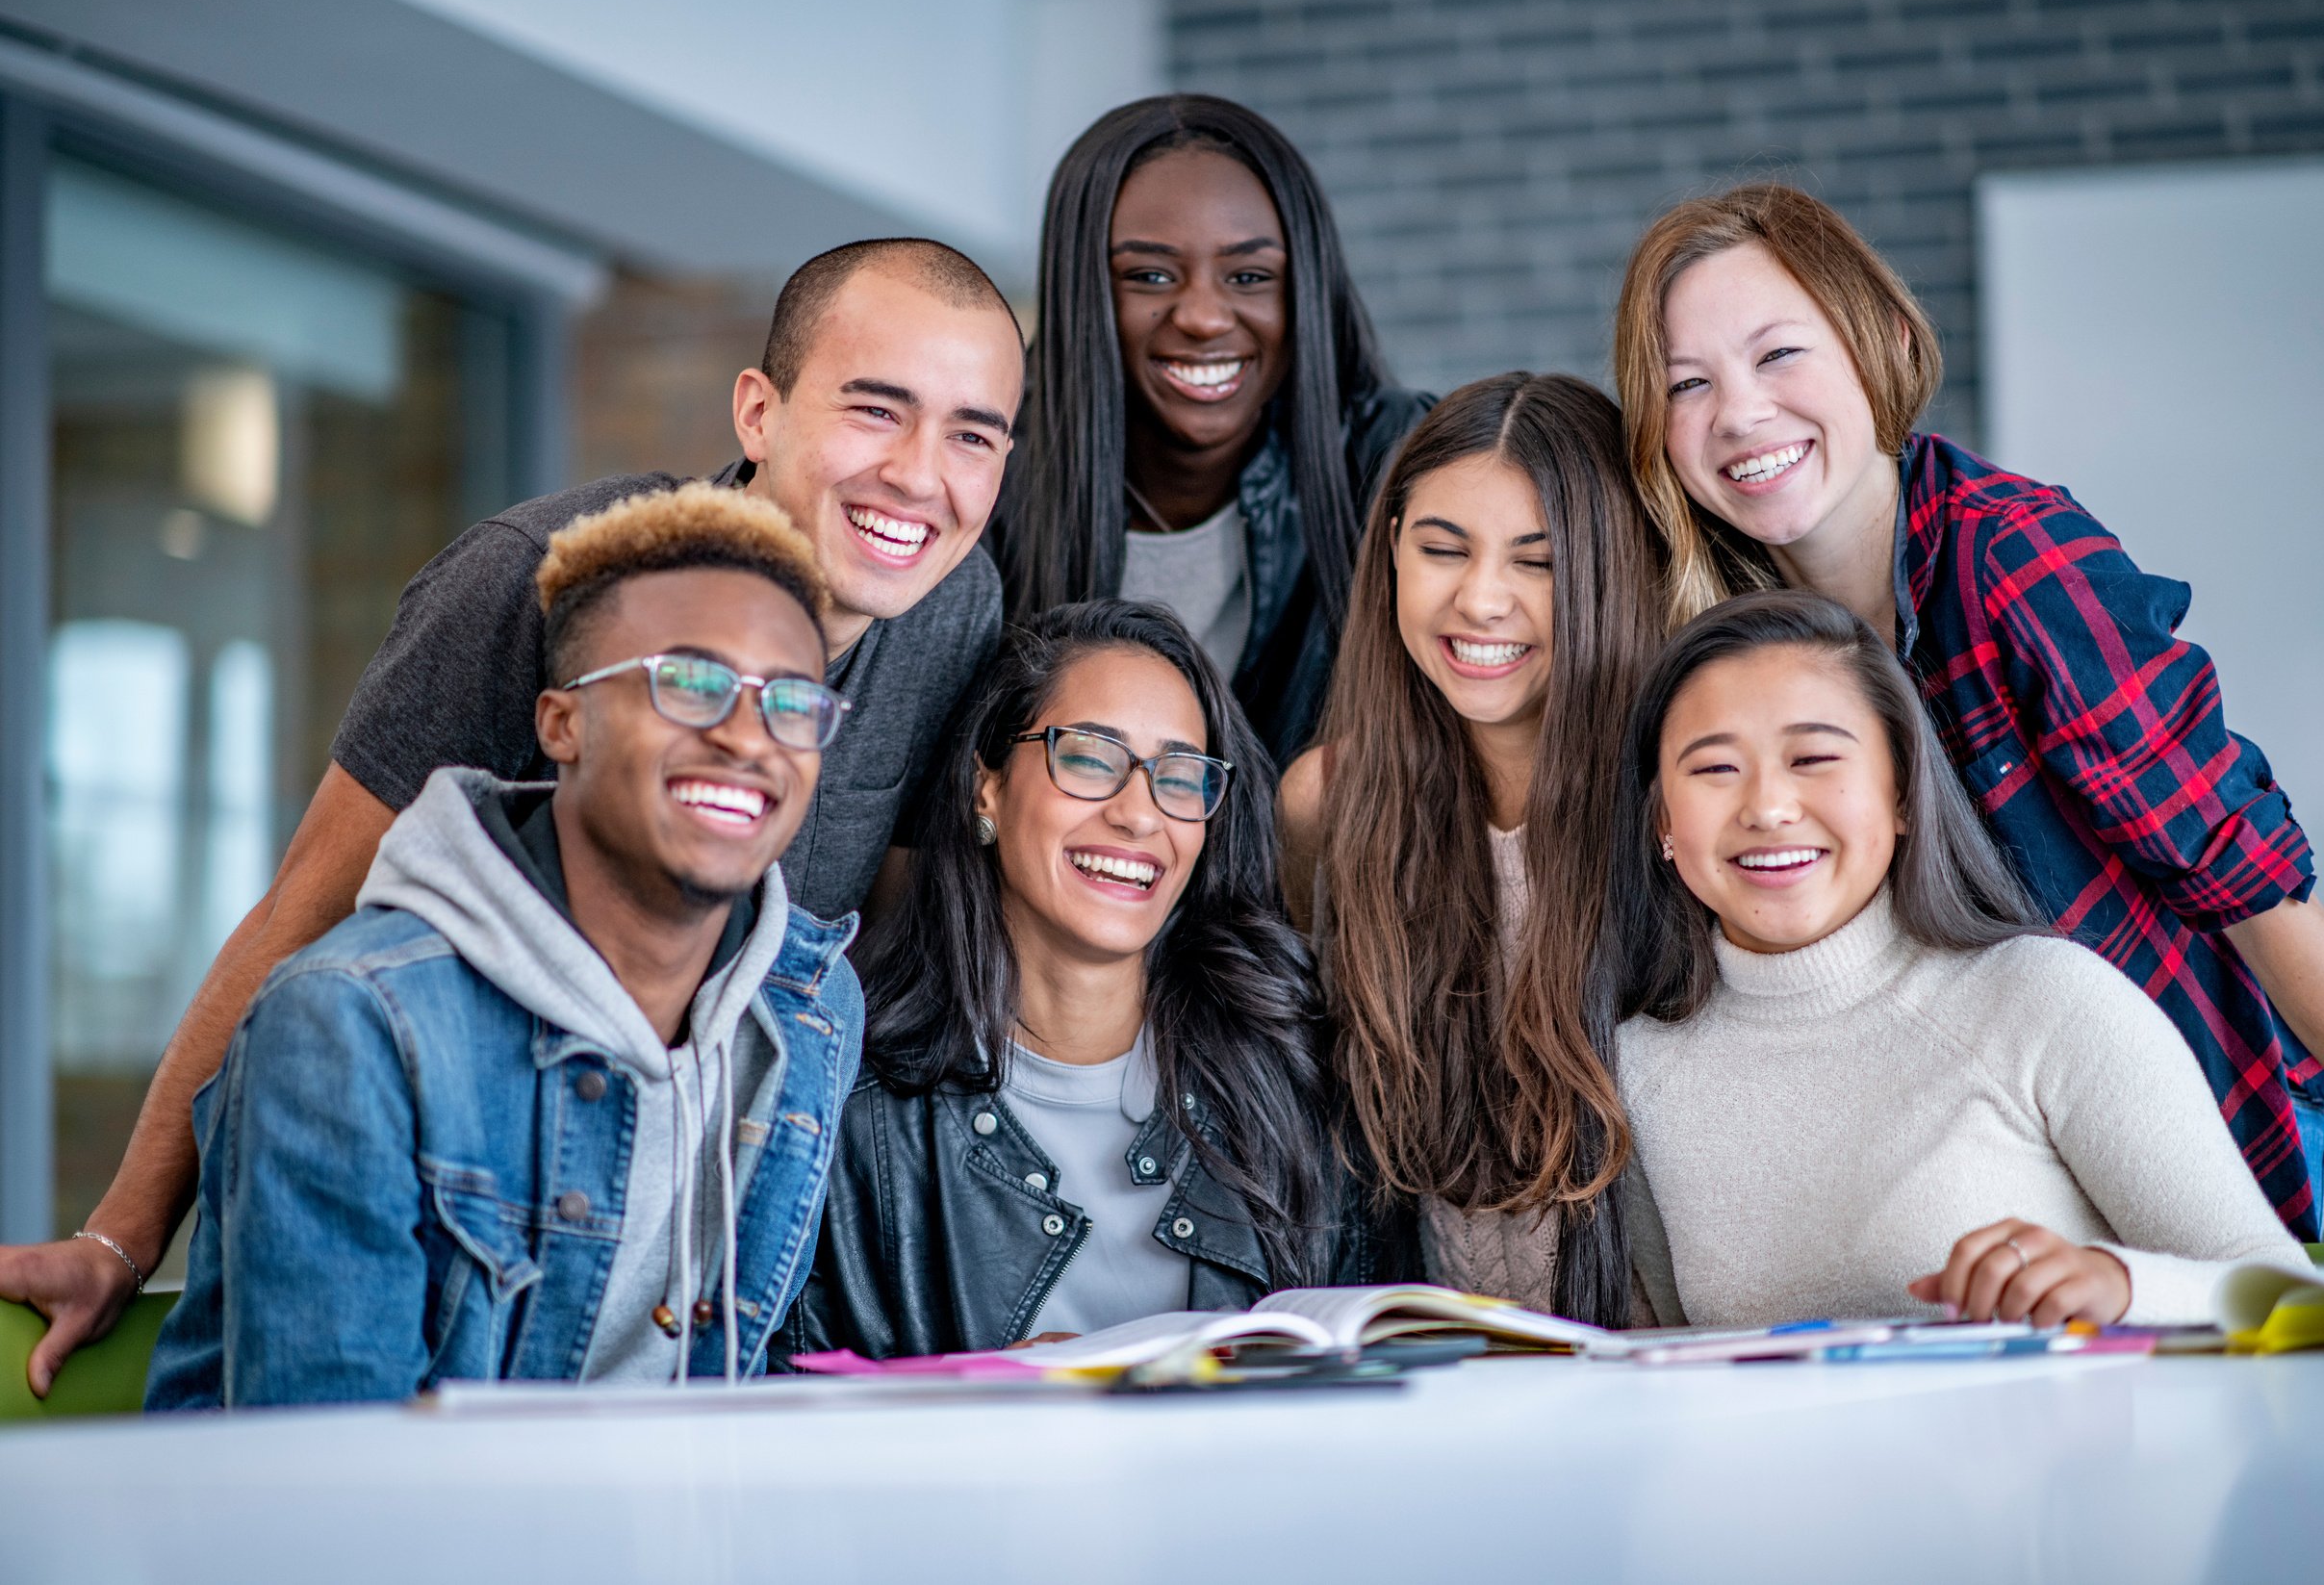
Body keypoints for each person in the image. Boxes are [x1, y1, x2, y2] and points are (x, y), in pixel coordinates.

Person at [2, 236, 1024, 1396]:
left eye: (972, 433)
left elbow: (841, 975)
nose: (918, 473)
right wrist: (122, 1234)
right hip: (461, 1241)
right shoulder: (539, 585)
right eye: (875, 409)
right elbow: (308, 918)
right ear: (758, 410)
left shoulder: (952, 606)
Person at [1613, 181, 2324, 1240]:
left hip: (2183, 1116)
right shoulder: (1730, 638)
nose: (1739, 412)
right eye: (1686, 382)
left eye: (1777, 354)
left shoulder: (2006, 557)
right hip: (1972, 1156)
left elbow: (2241, 875)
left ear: (1876, 339)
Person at [147, 486, 867, 1405]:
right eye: (687, 684)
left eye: (791, 701)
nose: (746, 737)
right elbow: (333, 1492)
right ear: (561, 723)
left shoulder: (805, 1011)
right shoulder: (351, 1024)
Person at [1606, 590, 2310, 1330]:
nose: (1768, 806)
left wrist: (2121, 1287)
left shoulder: (2043, 999)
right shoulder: (1637, 1066)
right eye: (1714, 769)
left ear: (1902, 791)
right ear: (1662, 821)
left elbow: (2289, 1296)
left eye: (1812, 758)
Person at [786, 601, 1407, 1360]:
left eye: (1180, 778)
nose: (1139, 814)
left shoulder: (1292, 1073)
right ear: (987, 787)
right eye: (1087, 757)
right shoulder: (849, 1109)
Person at [1277, 374, 1665, 1326]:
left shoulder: (1675, 800)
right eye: (1441, 549)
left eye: (1536, 563)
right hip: (1448, 1373)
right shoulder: (1329, 800)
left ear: (1608, 569)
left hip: (1669, 1371)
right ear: (1393, 553)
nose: (1478, 599)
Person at [995, 93, 1434, 763]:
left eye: (1249, 276)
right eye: (1148, 275)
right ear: (1083, 293)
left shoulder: (1402, 465)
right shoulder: (981, 486)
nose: (1203, 316)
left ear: (1303, 294)